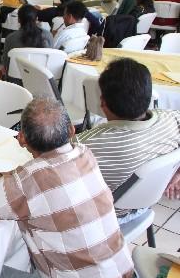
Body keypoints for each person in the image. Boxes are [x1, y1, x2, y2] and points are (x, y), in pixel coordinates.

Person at [0, 97, 135, 278]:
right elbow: (43, 179)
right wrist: (2, 177)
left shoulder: (29, 181)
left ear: (22, 138)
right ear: (72, 130)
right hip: (128, 277)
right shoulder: (84, 153)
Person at [76, 58, 180, 221]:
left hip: (104, 220)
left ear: (103, 102)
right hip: (145, 207)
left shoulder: (85, 146)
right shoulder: (172, 119)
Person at [3, 4, 53, 71]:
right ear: (37, 19)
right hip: (40, 78)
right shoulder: (48, 36)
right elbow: (50, 60)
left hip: (15, 79)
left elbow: (6, 64)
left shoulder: (10, 38)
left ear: (18, 20)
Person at [38, 0, 103, 34]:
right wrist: (88, 35)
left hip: (55, 46)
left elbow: (35, 16)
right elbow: (97, 24)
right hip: (80, 46)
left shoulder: (51, 12)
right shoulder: (83, 12)